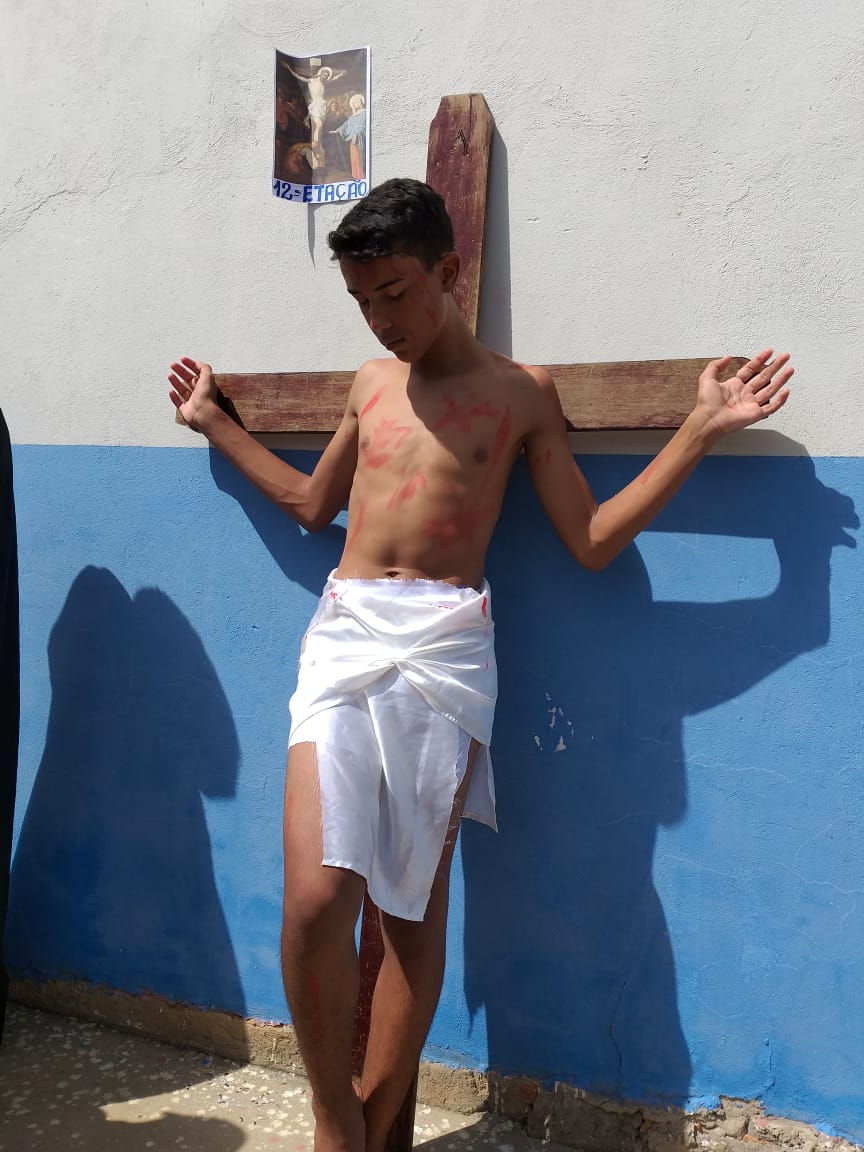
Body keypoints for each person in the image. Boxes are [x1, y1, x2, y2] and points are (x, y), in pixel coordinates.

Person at [167, 177, 792, 1152]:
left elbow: (591, 539)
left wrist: (700, 430)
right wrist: (216, 422)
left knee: (410, 911)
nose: (381, 319)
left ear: (449, 272)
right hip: (345, 637)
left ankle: (372, 1128)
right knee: (318, 900)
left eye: (396, 293)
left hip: (446, 651)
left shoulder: (519, 394)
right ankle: (337, 1118)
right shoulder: (369, 385)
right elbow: (311, 505)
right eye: (362, 300)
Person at [330, 94, 367, 179]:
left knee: (359, 158)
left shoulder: (365, 113)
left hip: (360, 140)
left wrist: (357, 134)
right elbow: (346, 125)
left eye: (356, 102)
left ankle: (361, 176)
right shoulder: (354, 116)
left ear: (361, 102)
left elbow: (364, 127)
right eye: (353, 103)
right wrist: (338, 130)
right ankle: (355, 176)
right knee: (354, 158)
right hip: (353, 141)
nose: (355, 104)